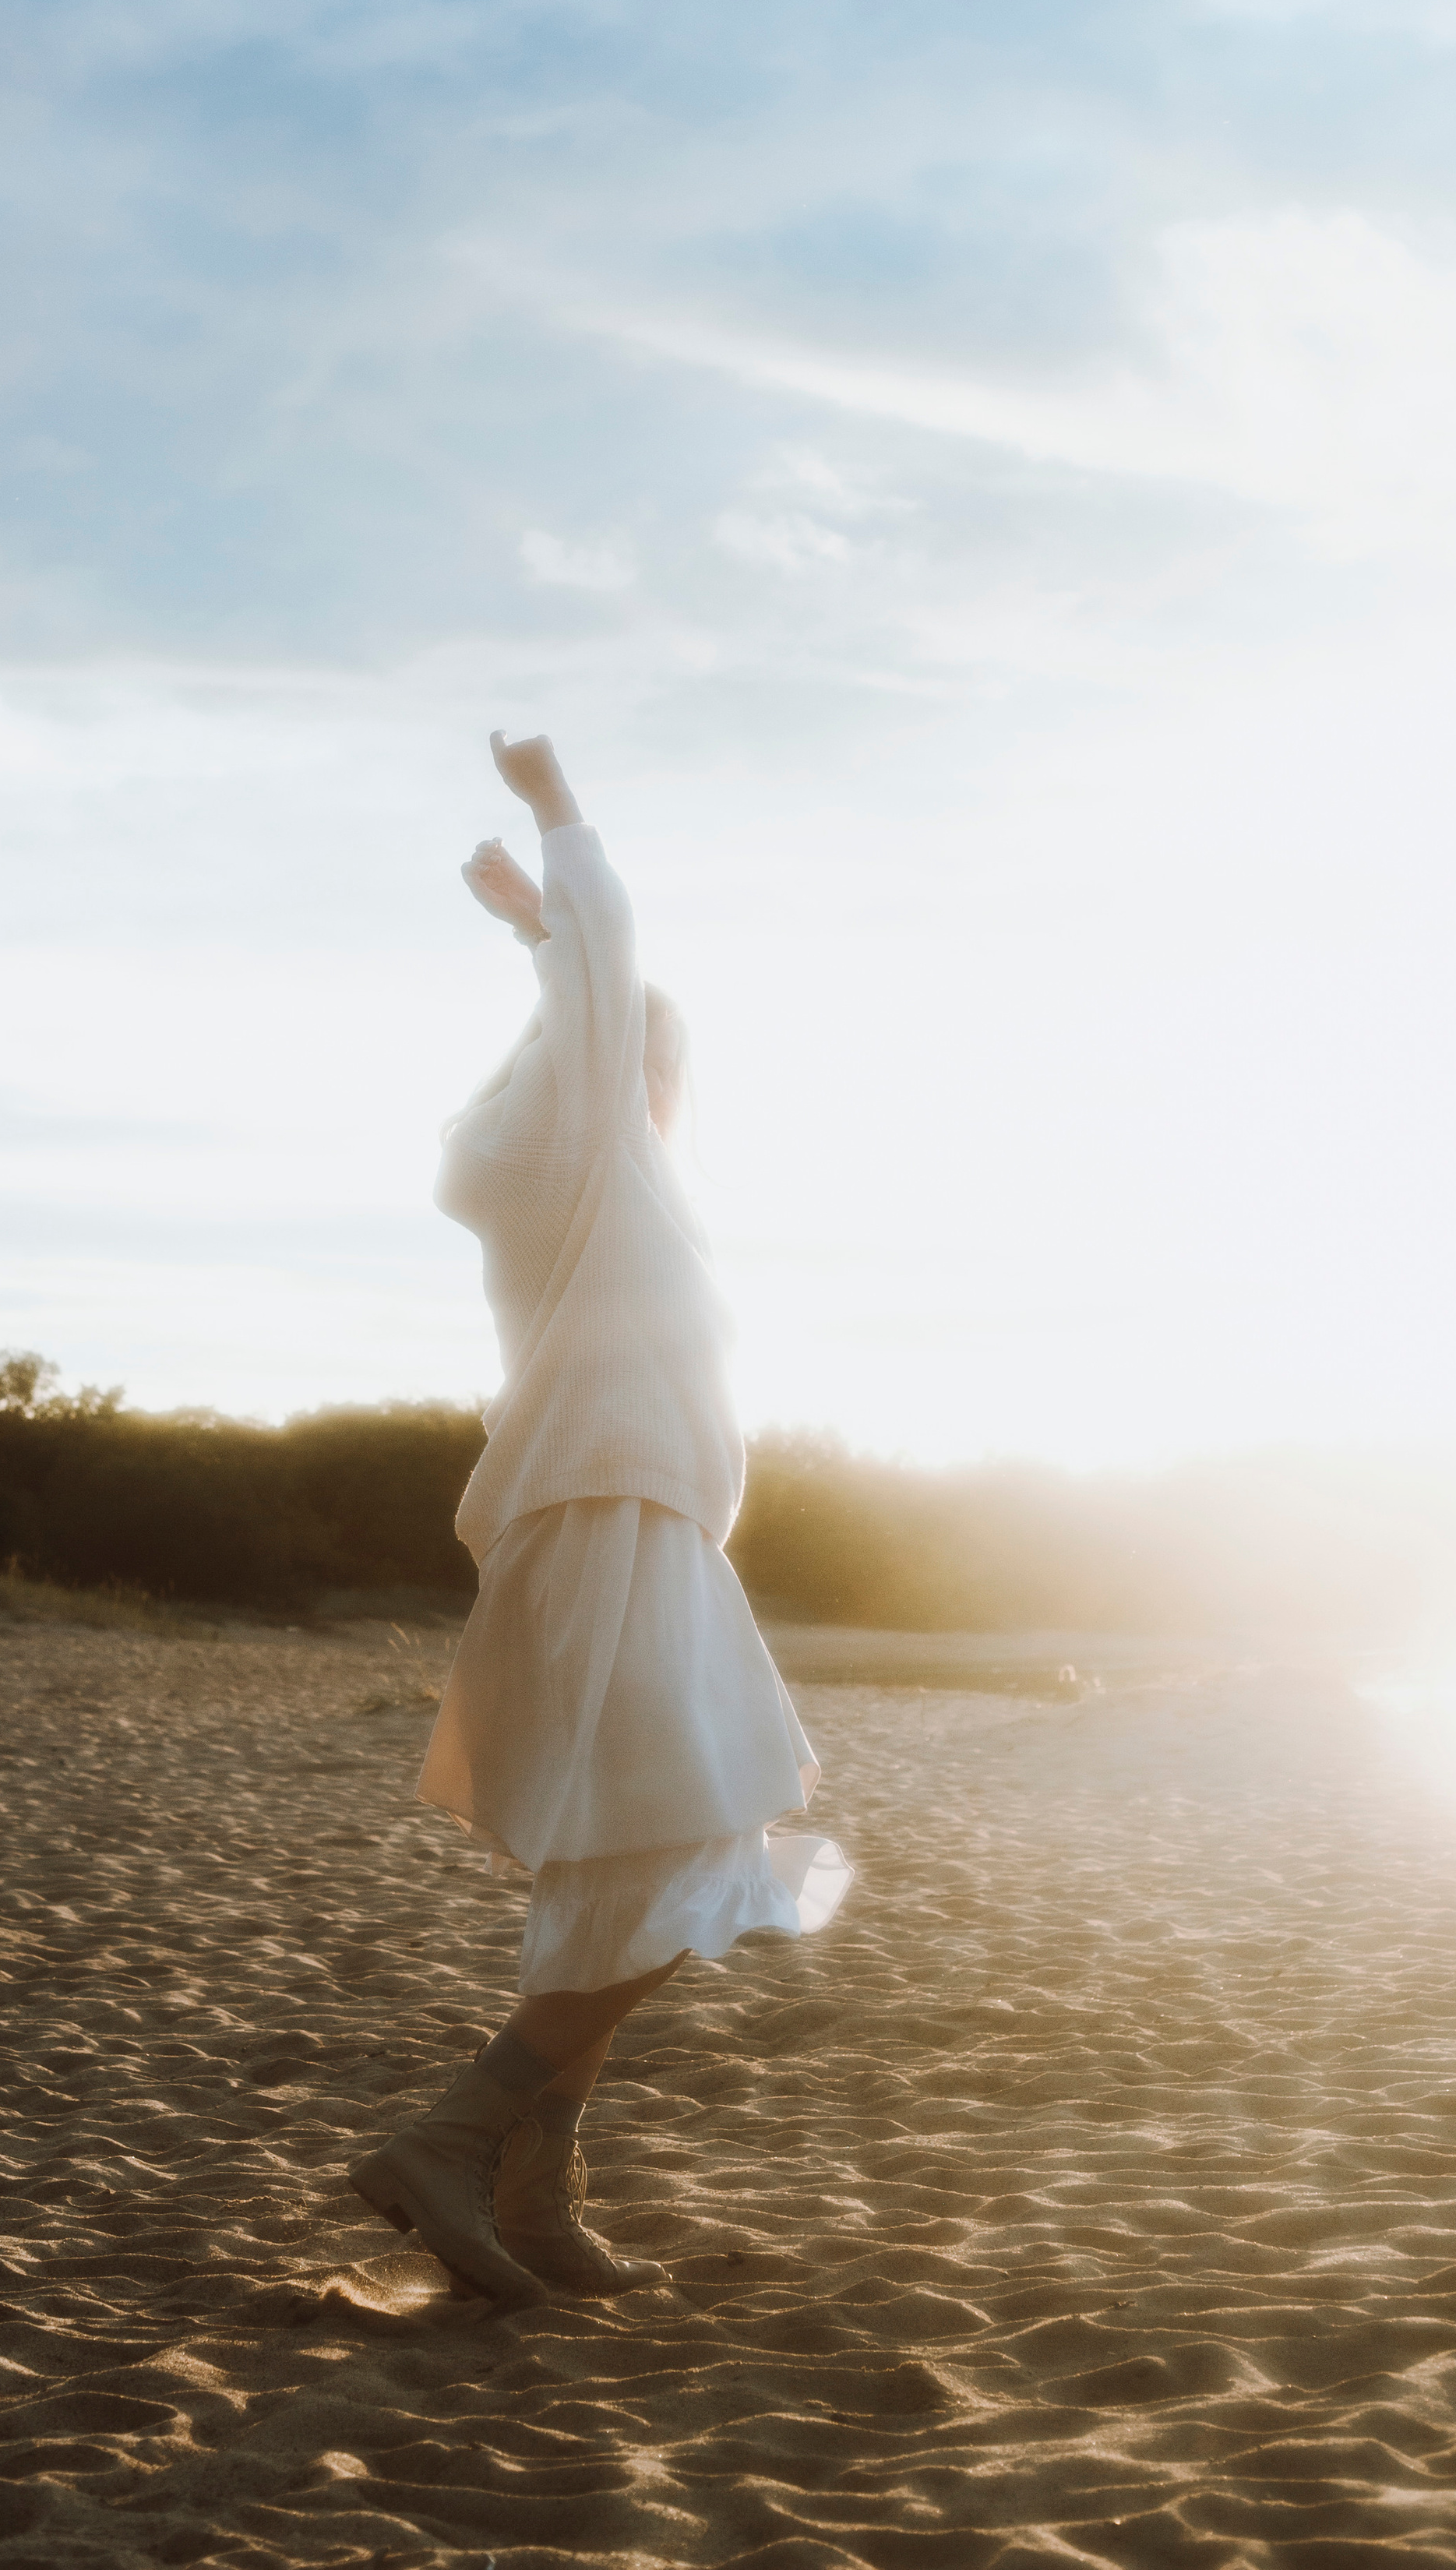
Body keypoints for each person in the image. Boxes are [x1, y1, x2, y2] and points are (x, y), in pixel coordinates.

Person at [350, 729, 849, 2300]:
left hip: (609, 1537)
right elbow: (604, 989)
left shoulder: (551, 1180)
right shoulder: (591, 1163)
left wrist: (535, 942)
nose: (668, 1087)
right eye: (656, 1061)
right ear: (610, 1068)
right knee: (697, 1849)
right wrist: (558, 832)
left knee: (616, 1873)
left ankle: (536, 2193)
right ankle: (455, 2134)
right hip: (617, 1528)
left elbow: (587, 1013)